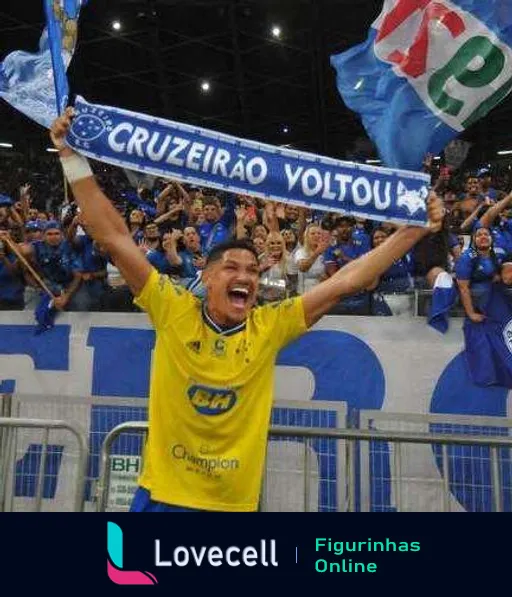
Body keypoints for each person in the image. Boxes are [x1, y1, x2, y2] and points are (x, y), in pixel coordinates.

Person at [50, 108, 444, 512]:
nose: (246, 276)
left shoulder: (270, 325)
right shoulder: (173, 308)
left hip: (235, 507)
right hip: (162, 499)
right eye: (233, 268)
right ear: (207, 275)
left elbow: (348, 281)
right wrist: (69, 155)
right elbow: (115, 237)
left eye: (254, 270)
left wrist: (413, 231)